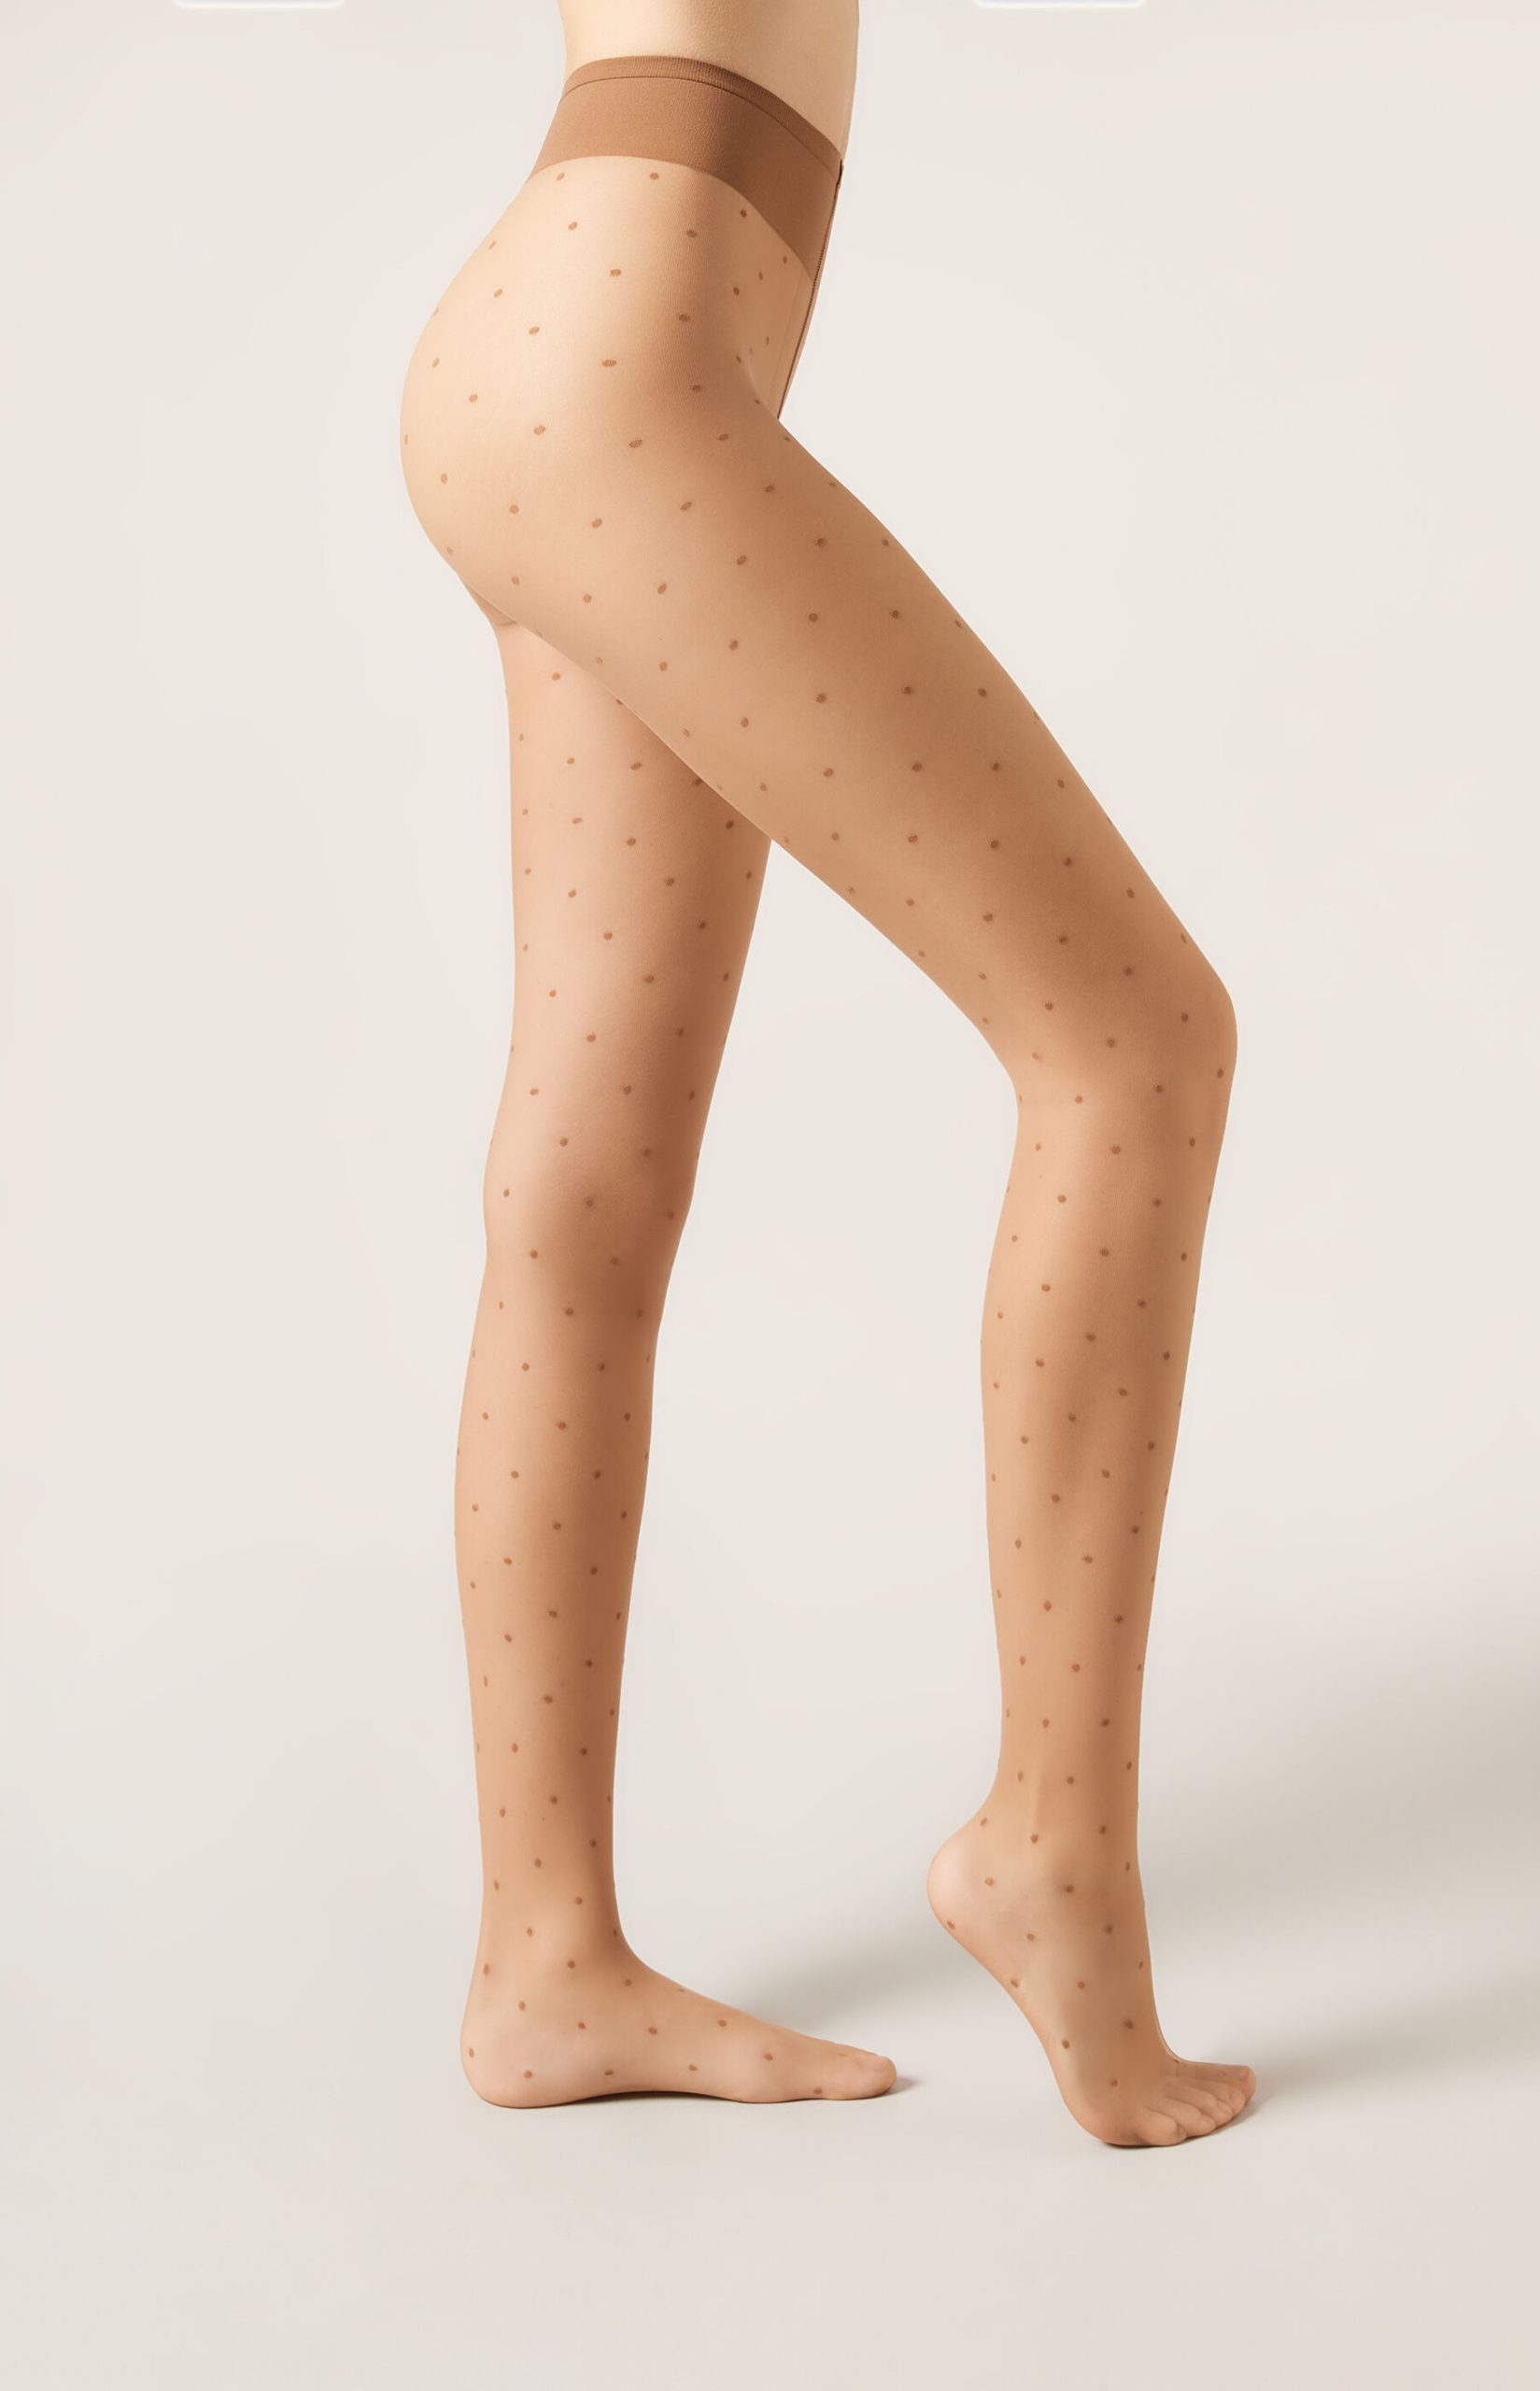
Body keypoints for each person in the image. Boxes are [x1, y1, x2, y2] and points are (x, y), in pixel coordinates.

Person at [398, 0, 1254, 2147]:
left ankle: (544, 1960)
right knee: (1133, 1040)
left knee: (584, 1190)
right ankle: (1054, 1848)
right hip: (615, 378)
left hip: (556, 354)